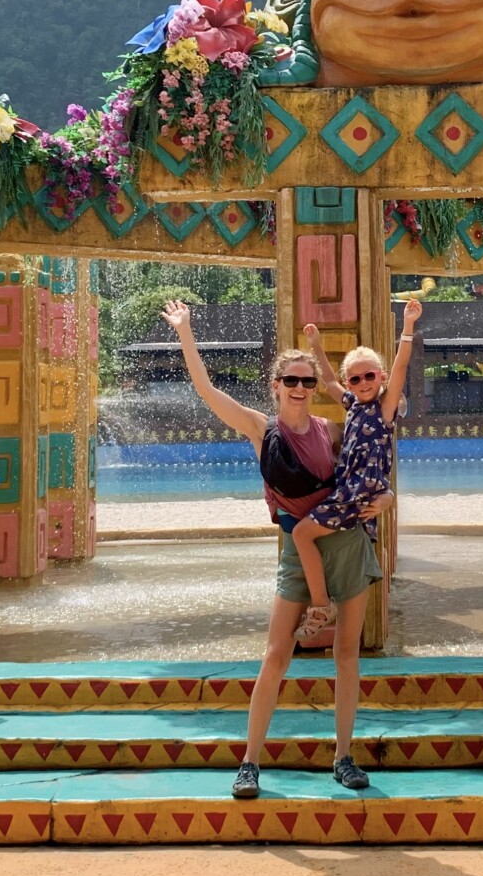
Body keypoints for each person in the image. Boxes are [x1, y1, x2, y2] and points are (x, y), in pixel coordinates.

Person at [161, 298, 387, 798]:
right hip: (296, 550)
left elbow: (376, 456)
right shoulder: (260, 429)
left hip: (346, 544)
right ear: (277, 386)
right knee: (276, 655)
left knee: (346, 653)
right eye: (293, 381)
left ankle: (344, 756)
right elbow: (206, 390)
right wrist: (185, 333)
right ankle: (250, 762)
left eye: (309, 381)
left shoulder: (333, 430)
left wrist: (387, 496)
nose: (303, 389)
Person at [292, 297, 421, 638]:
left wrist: (407, 327)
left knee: (302, 533)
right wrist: (317, 347)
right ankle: (326, 601)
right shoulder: (351, 404)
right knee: (314, 539)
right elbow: (330, 381)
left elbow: (402, 368)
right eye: (356, 379)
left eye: (370, 376)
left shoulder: (385, 408)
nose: (363, 383)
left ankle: (321, 605)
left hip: (358, 494)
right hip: (347, 491)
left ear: (380, 377)